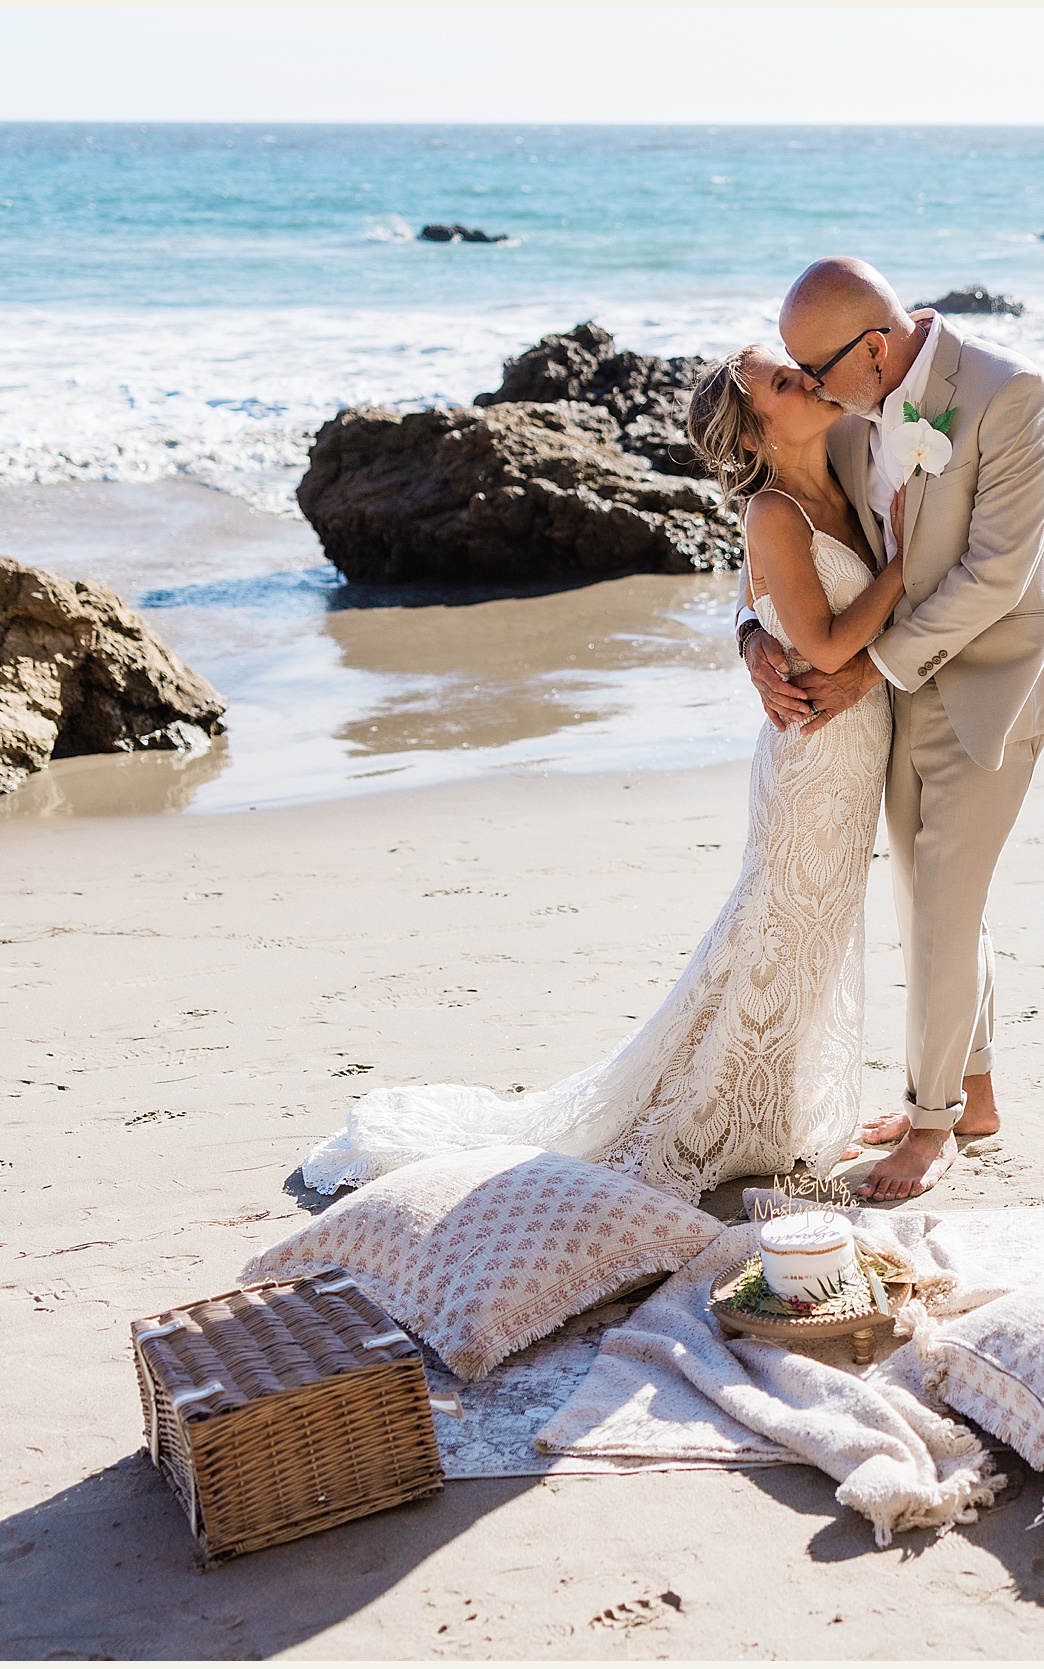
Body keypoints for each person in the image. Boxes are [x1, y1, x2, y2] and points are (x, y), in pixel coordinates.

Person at [295, 343, 908, 1203]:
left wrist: (749, 629)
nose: (807, 377)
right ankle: (720, 1117)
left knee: (814, 932)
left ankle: (773, 1105)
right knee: (779, 929)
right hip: (813, 753)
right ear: (759, 430)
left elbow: (767, 594)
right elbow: (832, 644)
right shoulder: (774, 508)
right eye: (782, 381)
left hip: (851, 748)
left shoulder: (846, 467)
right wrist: (912, 565)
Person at [738, 257, 1044, 1201]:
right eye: (795, 376)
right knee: (931, 891)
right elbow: (782, 522)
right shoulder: (847, 403)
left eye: (816, 371)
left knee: (943, 903)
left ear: (874, 348)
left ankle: (930, 1130)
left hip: (991, 683)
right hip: (889, 691)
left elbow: (998, 573)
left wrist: (865, 669)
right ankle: (976, 1093)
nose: (807, 389)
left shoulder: (1013, 395)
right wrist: (749, 634)